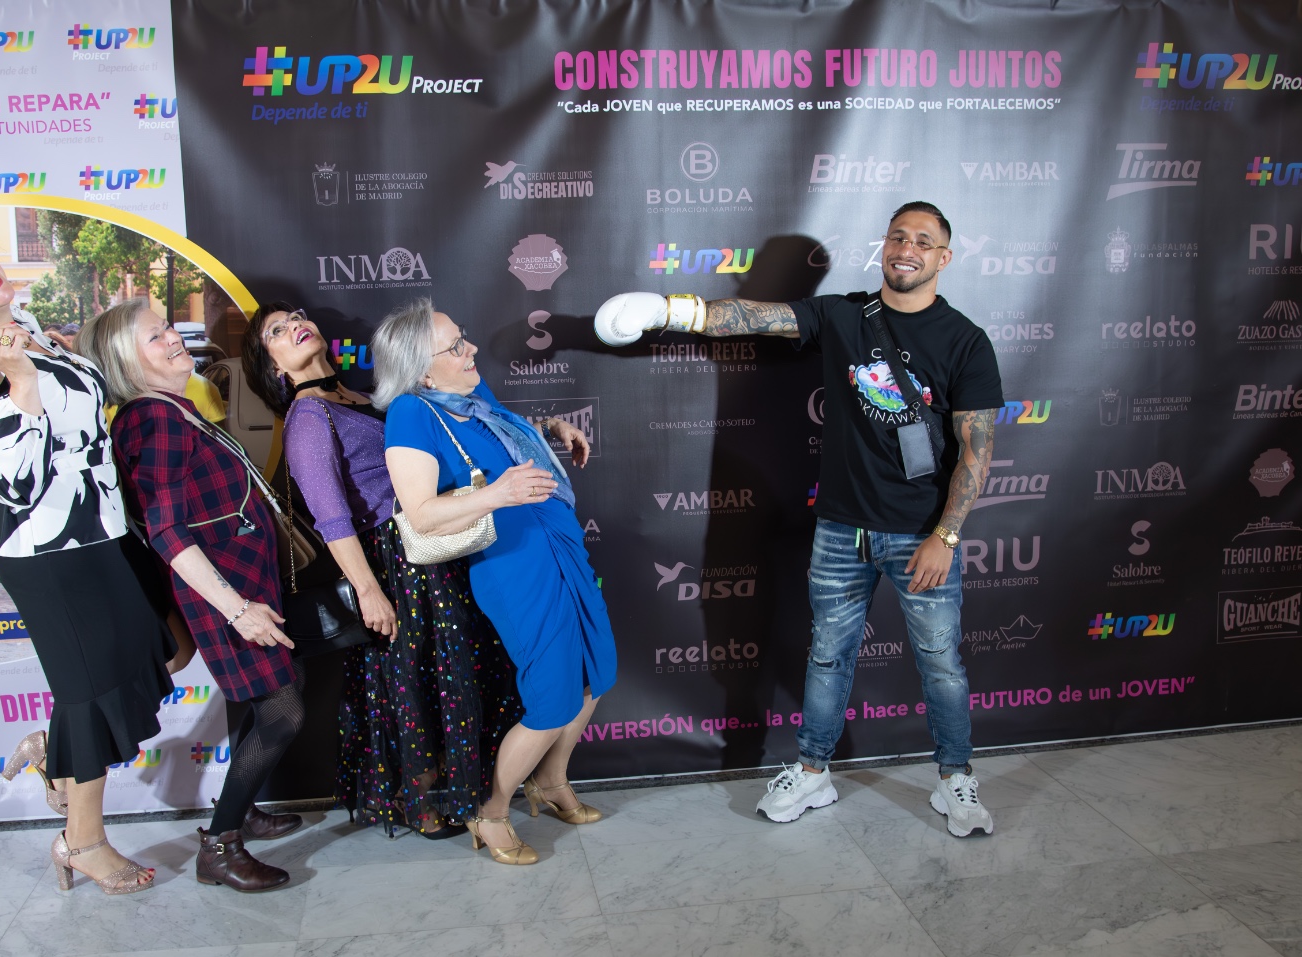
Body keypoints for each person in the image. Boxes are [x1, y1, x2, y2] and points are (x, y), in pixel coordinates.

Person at [594, 201, 1003, 837]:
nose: (907, 249)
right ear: (885, 245)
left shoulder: (965, 340)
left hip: (919, 533)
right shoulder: (843, 314)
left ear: (943, 258)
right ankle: (813, 771)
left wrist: (945, 536)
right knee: (828, 656)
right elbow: (757, 317)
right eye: (898, 236)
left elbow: (977, 450)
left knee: (941, 663)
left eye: (924, 241)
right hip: (840, 528)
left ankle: (955, 778)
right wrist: (670, 311)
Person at [0, 229, 174, 895]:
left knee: (163, 650)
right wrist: (20, 380)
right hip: (49, 550)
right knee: (89, 697)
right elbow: (16, 482)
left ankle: (54, 749)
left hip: (104, 529)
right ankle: (82, 842)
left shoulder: (27, 329)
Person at [244, 300, 521, 839]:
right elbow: (332, 519)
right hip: (394, 563)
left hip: (433, 544)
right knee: (409, 680)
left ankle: (464, 789)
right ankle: (418, 803)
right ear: (272, 367)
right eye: (277, 331)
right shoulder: (308, 418)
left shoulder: (362, 396)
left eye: (296, 317)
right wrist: (368, 591)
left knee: (448, 671)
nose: (295, 325)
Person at [375, 298, 616, 866]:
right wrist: (499, 494)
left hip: (560, 543)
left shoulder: (469, 394)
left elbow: (506, 435)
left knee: (596, 672)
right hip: (514, 566)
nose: (472, 349)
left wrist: (551, 429)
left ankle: (551, 781)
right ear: (422, 371)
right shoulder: (411, 413)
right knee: (552, 696)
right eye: (456, 346)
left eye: (464, 337)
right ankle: (491, 810)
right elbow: (421, 515)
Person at [82, 298, 302, 892]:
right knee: (283, 709)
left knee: (264, 698)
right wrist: (237, 609)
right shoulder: (151, 419)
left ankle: (242, 810)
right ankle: (221, 846)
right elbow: (166, 530)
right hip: (225, 591)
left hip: (243, 581)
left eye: (167, 329)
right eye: (155, 337)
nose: (173, 338)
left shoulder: (173, 408)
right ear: (126, 362)